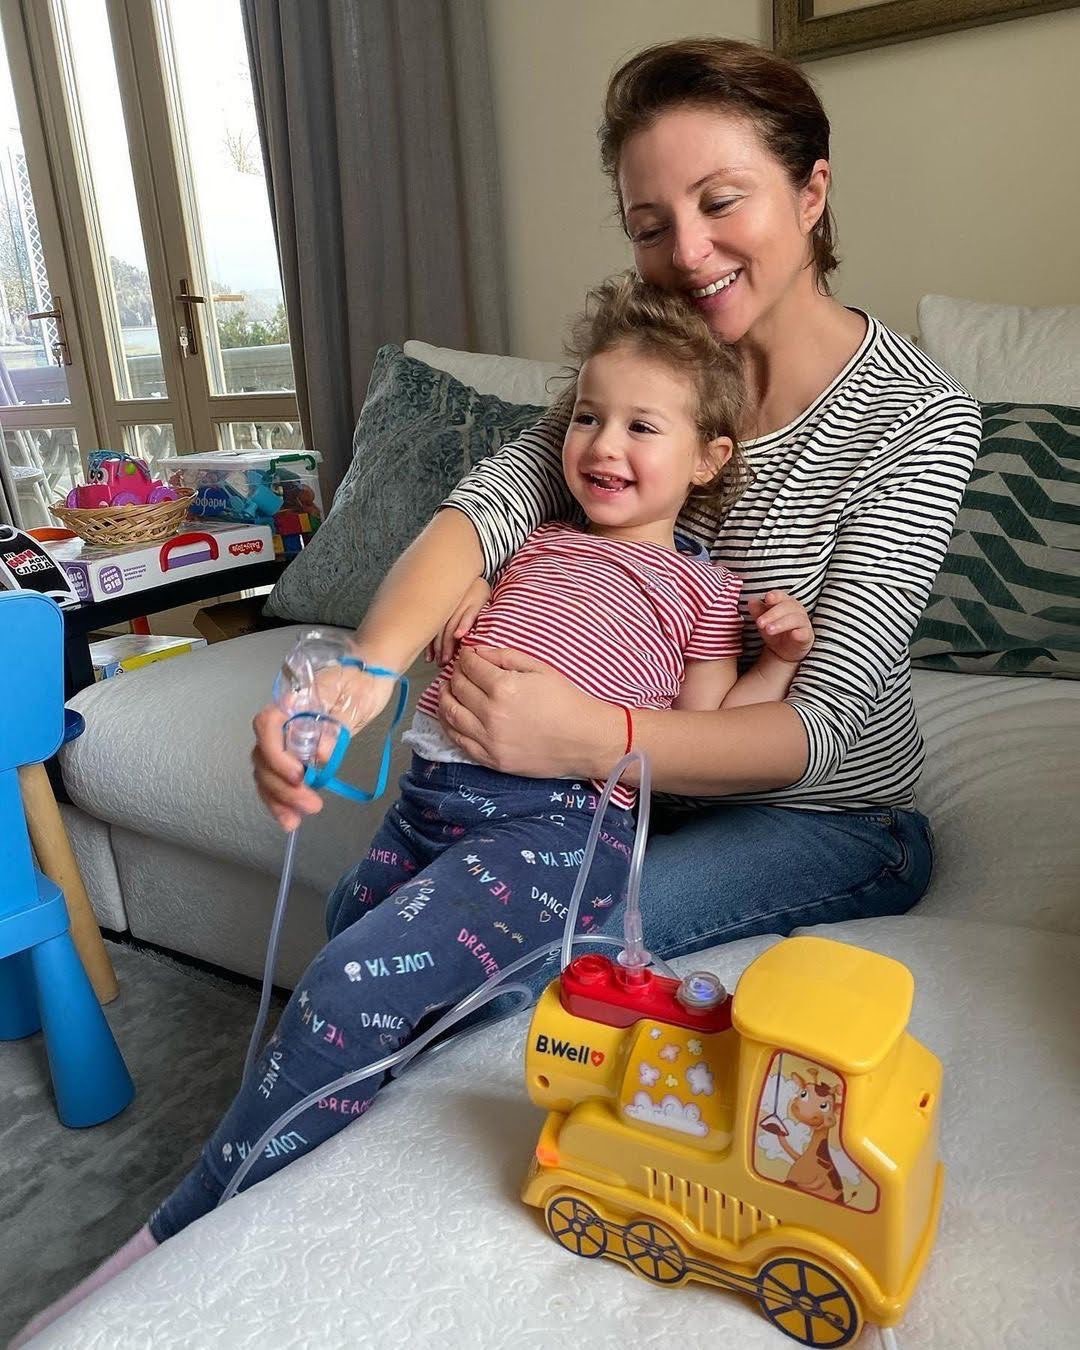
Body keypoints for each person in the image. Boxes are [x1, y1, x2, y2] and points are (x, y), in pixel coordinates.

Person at [12, 272, 817, 1345]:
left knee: (347, 987)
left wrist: (780, 661)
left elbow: (702, 740)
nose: (601, 445)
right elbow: (452, 583)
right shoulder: (538, 535)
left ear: (710, 458)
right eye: (587, 417)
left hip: (551, 830)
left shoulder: (704, 594)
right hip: (430, 798)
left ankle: (196, 1213)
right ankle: (321, 1136)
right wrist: (468, 599)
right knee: (351, 924)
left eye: (642, 426)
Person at [258, 37, 980, 963]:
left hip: (820, 819)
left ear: (811, 192)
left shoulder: (918, 415)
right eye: (649, 225)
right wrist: (360, 674)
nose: (687, 252)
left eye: (721, 201)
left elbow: (823, 728)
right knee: (365, 923)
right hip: (609, 796)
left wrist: (594, 738)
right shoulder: (646, 371)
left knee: (512, 945)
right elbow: (490, 508)